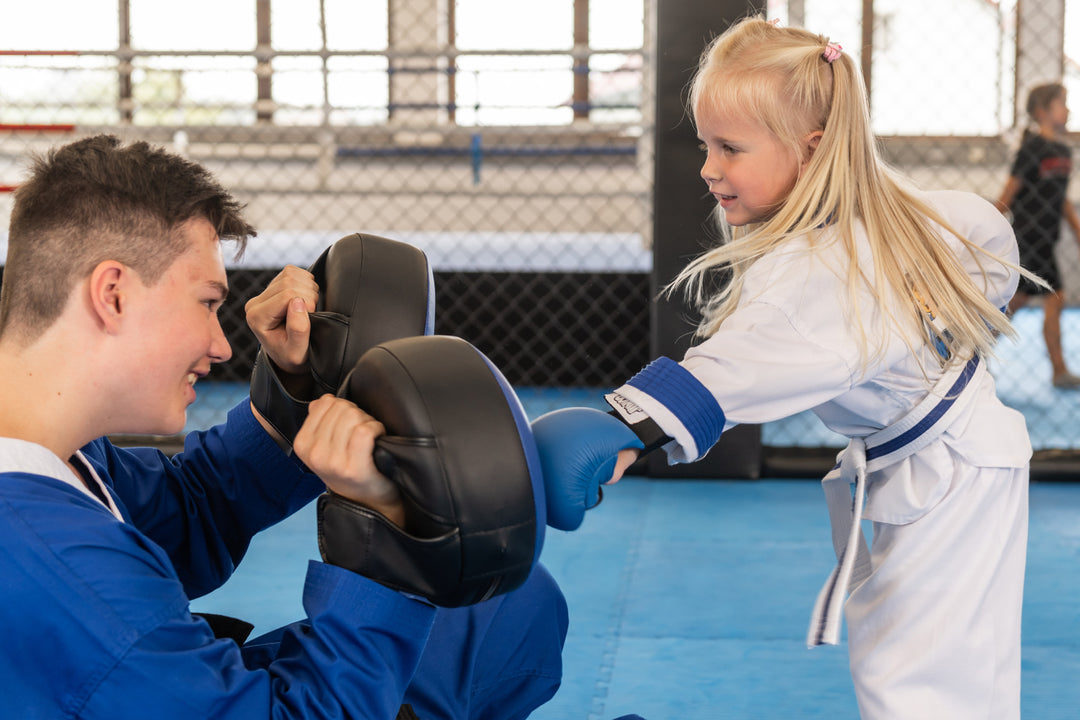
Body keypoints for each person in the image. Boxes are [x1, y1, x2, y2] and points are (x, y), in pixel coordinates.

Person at [534, 16, 1032, 720]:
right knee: (936, 666)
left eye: (731, 147)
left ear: (812, 150)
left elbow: (742, 362)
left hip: (950, 473)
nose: (709, 167)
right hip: (956, 462)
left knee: (922, 678)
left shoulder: (831, 262)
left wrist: (625, 430)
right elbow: (983, 235)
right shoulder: (896, 220)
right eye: (706, 144)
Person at [0, 134, 567, 718]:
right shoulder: (66, 571)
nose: (222, 345)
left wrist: (301, 388)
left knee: (503, 611)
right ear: (112, 293)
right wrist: (382, 539)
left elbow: (184, 513)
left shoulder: (48, 449)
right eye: (206, 303)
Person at [996, 81, 1080, 388]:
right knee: (1043, 299)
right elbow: (1009, 193)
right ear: (1043, 111)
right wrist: (985, 225)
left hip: (1048, 240)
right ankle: (1058, 370)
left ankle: (1058, 371)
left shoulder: (1063, 151)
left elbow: (1060, 200)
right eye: (1062, 103)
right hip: (1027, 239)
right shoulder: (1031, 150)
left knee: (1022, 302)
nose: (1068, 109)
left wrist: (1076, 230)